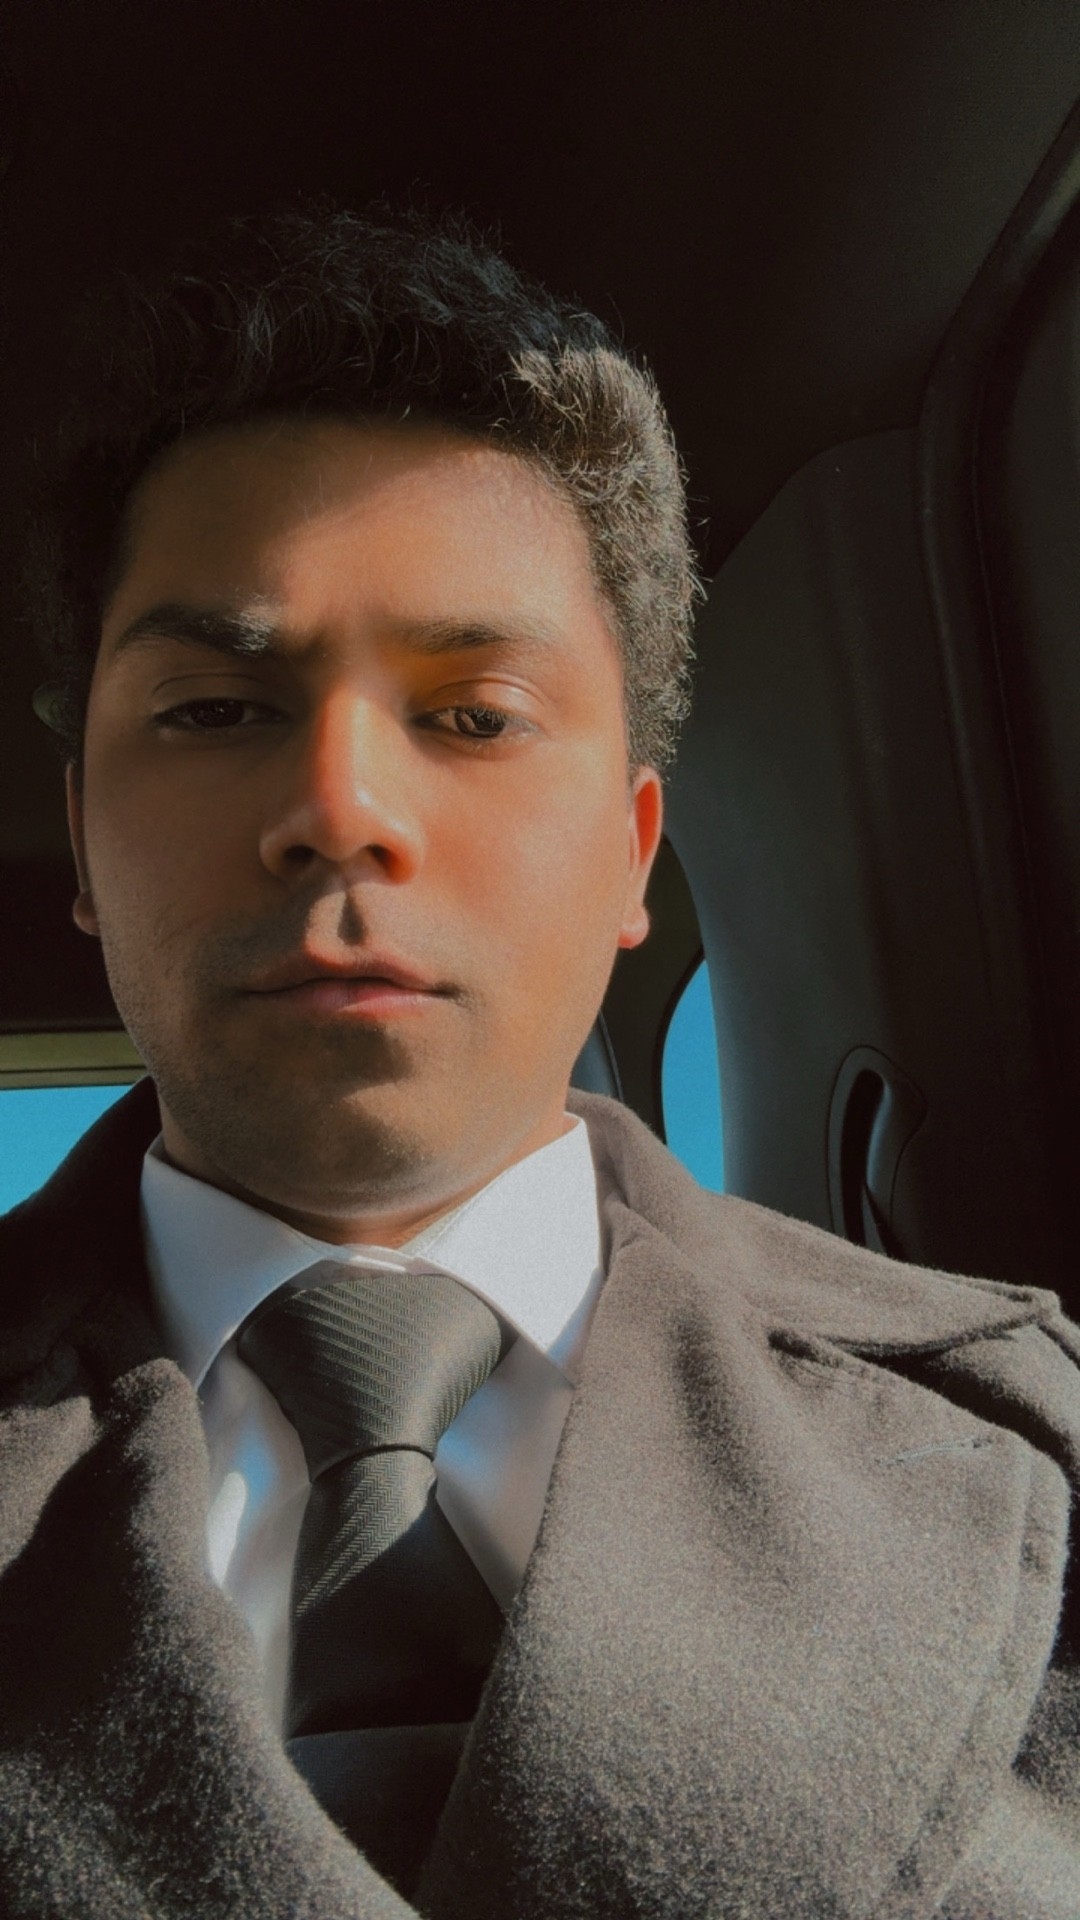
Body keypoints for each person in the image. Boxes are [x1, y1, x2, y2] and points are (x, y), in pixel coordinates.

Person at [2, 203, 1078, 1920]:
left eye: (474, 716)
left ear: (635, 853)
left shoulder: (1036, 1448)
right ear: (81, 836)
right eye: (212, 708)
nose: (341, 807)